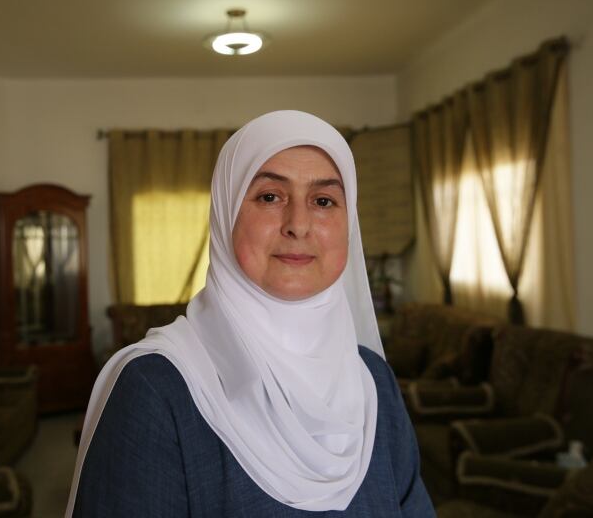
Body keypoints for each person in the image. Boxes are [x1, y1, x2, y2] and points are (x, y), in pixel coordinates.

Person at [67, 110, 434, 517]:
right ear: (225, 216)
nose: (298, 224)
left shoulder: (373, 380)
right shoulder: (154, 389)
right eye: (270, 197)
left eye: (324, 200)